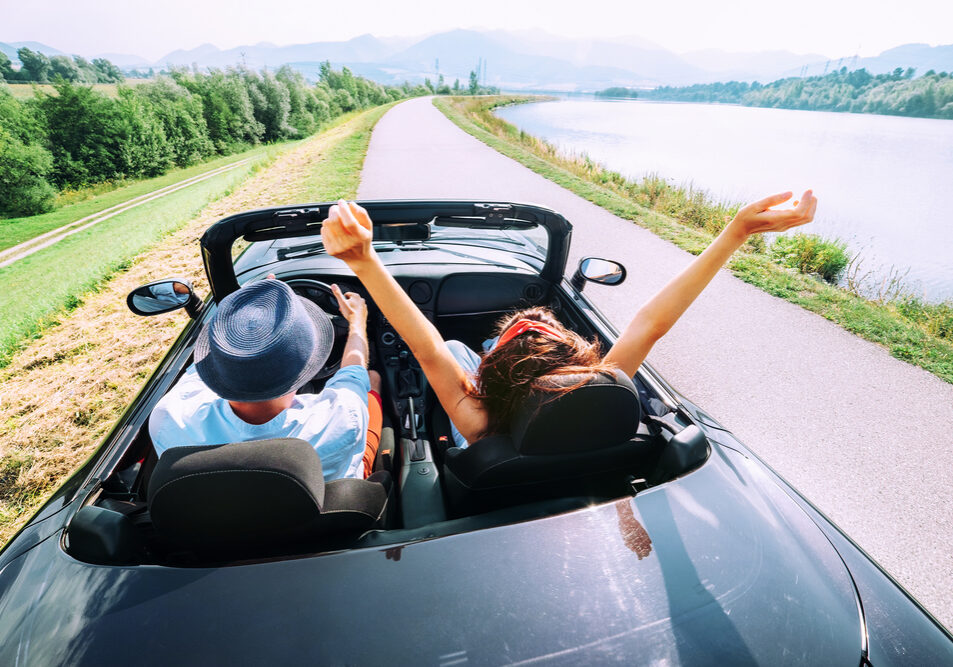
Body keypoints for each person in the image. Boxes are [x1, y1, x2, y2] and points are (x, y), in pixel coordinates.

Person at [320, 192, 817, 447]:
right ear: (580, 362)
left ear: (491, 378)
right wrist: (736, 231)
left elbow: (427, 345)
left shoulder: (479, 423)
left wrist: (364, 261)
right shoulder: (604, 388)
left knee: (452, 351)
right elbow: (651, 323)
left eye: (504, 343)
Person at [149, 277, 383, 481]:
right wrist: (357, 322)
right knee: (372, 380)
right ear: (308, 362)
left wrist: (243, 320)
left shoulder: (168, 417)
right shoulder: (344, 416)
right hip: (325, 515)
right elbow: (354, 371)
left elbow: (202, 366)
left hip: (228, 522)